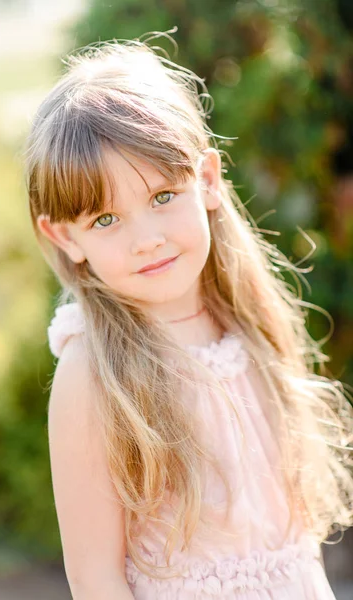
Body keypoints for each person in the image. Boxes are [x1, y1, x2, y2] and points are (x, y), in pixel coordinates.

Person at [24, 30, 353, 599]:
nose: (146, 240)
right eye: (105, 220)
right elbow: (95, 578)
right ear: (64, 236)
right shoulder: (94, 373)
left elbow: (295, 546)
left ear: (205, 180)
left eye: (160, 198)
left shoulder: (248, 324)